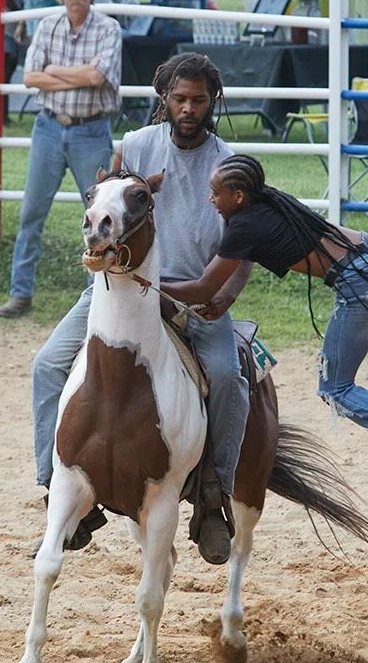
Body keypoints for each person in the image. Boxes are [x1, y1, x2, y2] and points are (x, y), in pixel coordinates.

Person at [31, 53, 252, 563]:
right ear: (165, 100)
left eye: (198, 100)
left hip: (192, 299)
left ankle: (213, 495)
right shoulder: (135, 146)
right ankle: (57, 493)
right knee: (46, 365)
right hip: (115, 289)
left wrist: (225, 298)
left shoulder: (230, 163)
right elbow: (108, 204)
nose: (188, 108)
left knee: (227, 376)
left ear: (212, 101)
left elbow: (246, 244)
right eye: (179, 99)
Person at [162, 155, 368, 478]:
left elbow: (203, 287)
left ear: (237, 196)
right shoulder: (262, 204)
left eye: (215, 192)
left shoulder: (244, 224)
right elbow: (240, 261)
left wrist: (151, 283)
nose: (210, 198)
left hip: (363, 279)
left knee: (334, 388)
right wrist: (227, 297)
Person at [0, 0, 122, 318]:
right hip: (58, 126)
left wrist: (53, 70)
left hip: (83, 126)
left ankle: (96, 293)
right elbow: (32, 78)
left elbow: (92, 78)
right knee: (32, 211)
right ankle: (22, 292)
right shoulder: (56, 26)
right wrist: (75, 74)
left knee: (99, 215)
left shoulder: (105, 28)